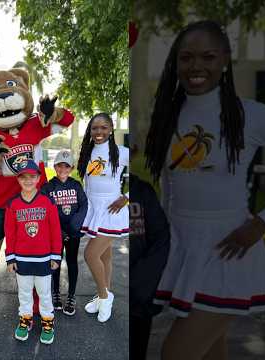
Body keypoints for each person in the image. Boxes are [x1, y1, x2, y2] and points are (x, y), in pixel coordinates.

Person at [144, 20, 265, 360]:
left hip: (229, 251)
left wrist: (261, 223)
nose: (196, 66)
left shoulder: (251, 115)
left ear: (225, 59)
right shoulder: (168, 115)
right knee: (213, 349)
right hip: (184, 248)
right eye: (186, 58)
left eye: (208, 56)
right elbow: (169, 190)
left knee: (176, 352)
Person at [77, 112, 129, 323]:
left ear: (111, 129)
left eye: (104, 127)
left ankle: (105, 297)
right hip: (93, 208)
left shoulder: (122, 152)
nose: (99, 132)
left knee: (90, 254)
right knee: (104, 256)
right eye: (95, 128)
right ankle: (103, 295)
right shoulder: (87, 152)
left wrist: (126, 196)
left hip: (111, 210)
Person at [5, 159, 62, 344]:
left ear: (38, 178)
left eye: (32, 176)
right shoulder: (13, 204)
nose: (28, 180)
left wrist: (55, 255)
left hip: (44, 258)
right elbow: (10, 232)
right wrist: (10, 257)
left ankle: (48, 321)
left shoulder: (47, 201)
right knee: (24, 292)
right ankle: (25, 319)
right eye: (23, 177)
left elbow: (55, 230)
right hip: (22, 258)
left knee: (45, 292)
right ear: (18, 179)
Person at [129, 144, 170, 360]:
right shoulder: (103, 192)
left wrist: (140, 284)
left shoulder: (143, 192)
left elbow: (161, 240)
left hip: (140, 297)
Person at [41, 150, 88, 316]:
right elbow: (45, 210)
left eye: (66, 166)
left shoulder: (76, 185)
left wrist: (75, 226)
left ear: (72, 168)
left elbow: (83, 205)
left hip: (73, 232)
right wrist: (58, 231)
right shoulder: (48, 187)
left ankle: (71, 296)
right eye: (60, 165)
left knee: (72, 262)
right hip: (55, 233)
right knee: (55, 262)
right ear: (55, 166)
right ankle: (55, 293)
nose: (63, 169)